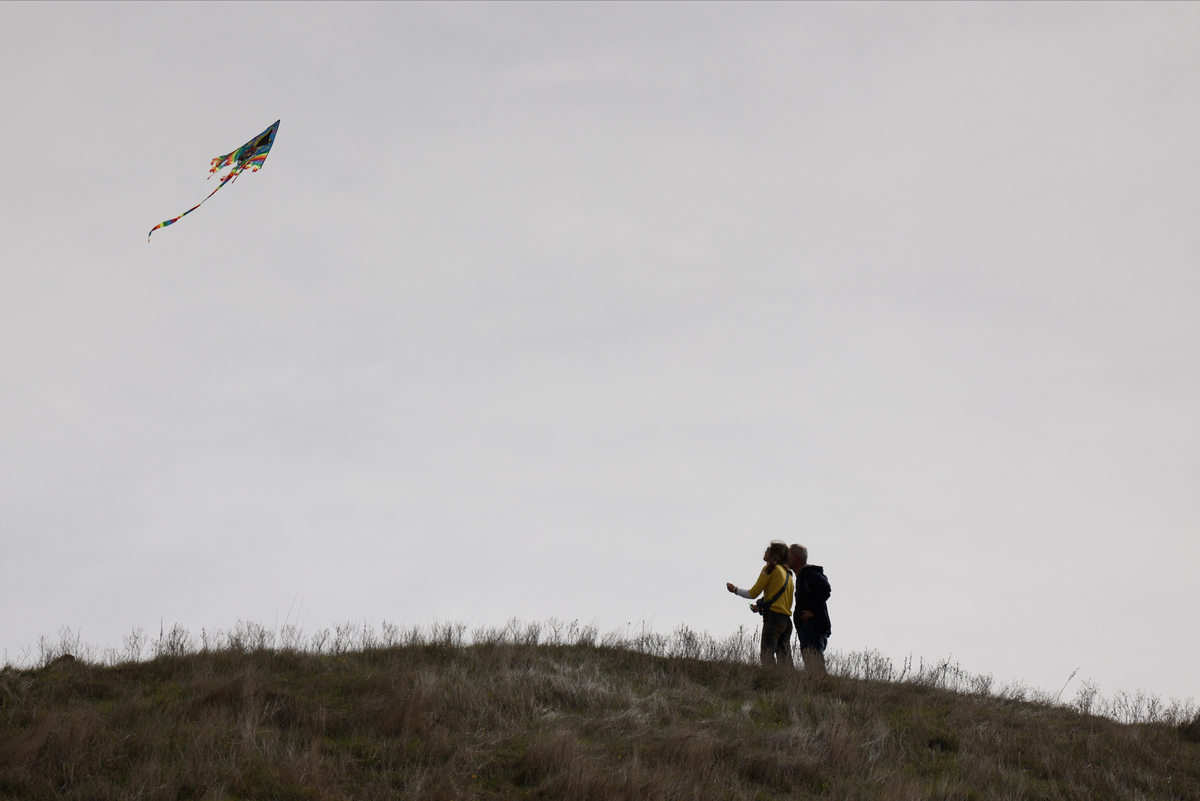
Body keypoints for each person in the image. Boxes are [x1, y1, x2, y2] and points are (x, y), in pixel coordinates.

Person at [726, 541, 794, 667]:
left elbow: (753, 593)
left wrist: (735, 590)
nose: (765, 551)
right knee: (785, 661)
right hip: (786, 621)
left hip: (773, 619)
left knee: (767, 656)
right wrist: (761, 605)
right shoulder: (788, 573)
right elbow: (778, 595)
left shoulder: (770, 569)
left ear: (774, 554)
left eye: (768, 549)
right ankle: (788, 684)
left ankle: (771, 684)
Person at [789, 543, 831, 675]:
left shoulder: (808, 572)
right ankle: (819, 689)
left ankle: (822, 690)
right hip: (808, 628)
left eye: (788, 554)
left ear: (796, 557)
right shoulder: (802, 575)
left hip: (813, 628)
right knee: (811, 664)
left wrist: (813, 611)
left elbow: (825, 588)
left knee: (815, 665)